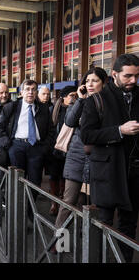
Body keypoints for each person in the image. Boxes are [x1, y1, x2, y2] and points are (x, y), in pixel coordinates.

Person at [80, 54, 139, 262]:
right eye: (128, 76)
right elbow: (86, 135)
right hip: (107, 173)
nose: (133, 81)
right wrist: (119, 131)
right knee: (102, 224)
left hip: (133, 174)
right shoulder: (97, 99)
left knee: (129, 226)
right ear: (114, 74)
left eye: (136, 76)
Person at [54, 68, 108, 233]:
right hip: (76, 157)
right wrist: (80, 99)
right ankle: (60, 242)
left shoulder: (108, 103)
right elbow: (69, 121)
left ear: (104, 83)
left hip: (98, 158)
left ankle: (88, 244)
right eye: (87, 81)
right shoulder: (79, 101)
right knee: (68, 201)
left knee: (92, 204)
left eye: (95, 80)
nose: (90, 84)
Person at [0, 79, 55, 209]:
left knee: (34, 183)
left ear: (36, 92)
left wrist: (44, 147)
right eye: (27, 89)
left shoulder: (44, 108)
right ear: (21, 92)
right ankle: (16, 211)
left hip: (36, 148)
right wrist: (7, 144)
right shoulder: (12, 107)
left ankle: (29, 211)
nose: (30, 92)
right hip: (17, 147)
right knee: (16, 182)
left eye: (33, 90)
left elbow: (51, 130)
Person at [45, 85, 77, 215]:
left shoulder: (76, 109)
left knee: (65, 177)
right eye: (71, 95)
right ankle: (54, 202)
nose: (74, 98)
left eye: (76, 95)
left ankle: (63, 202)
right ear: (63, 97)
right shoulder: (53, 110)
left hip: (69, 150)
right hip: (54, 149)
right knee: (54, 176)